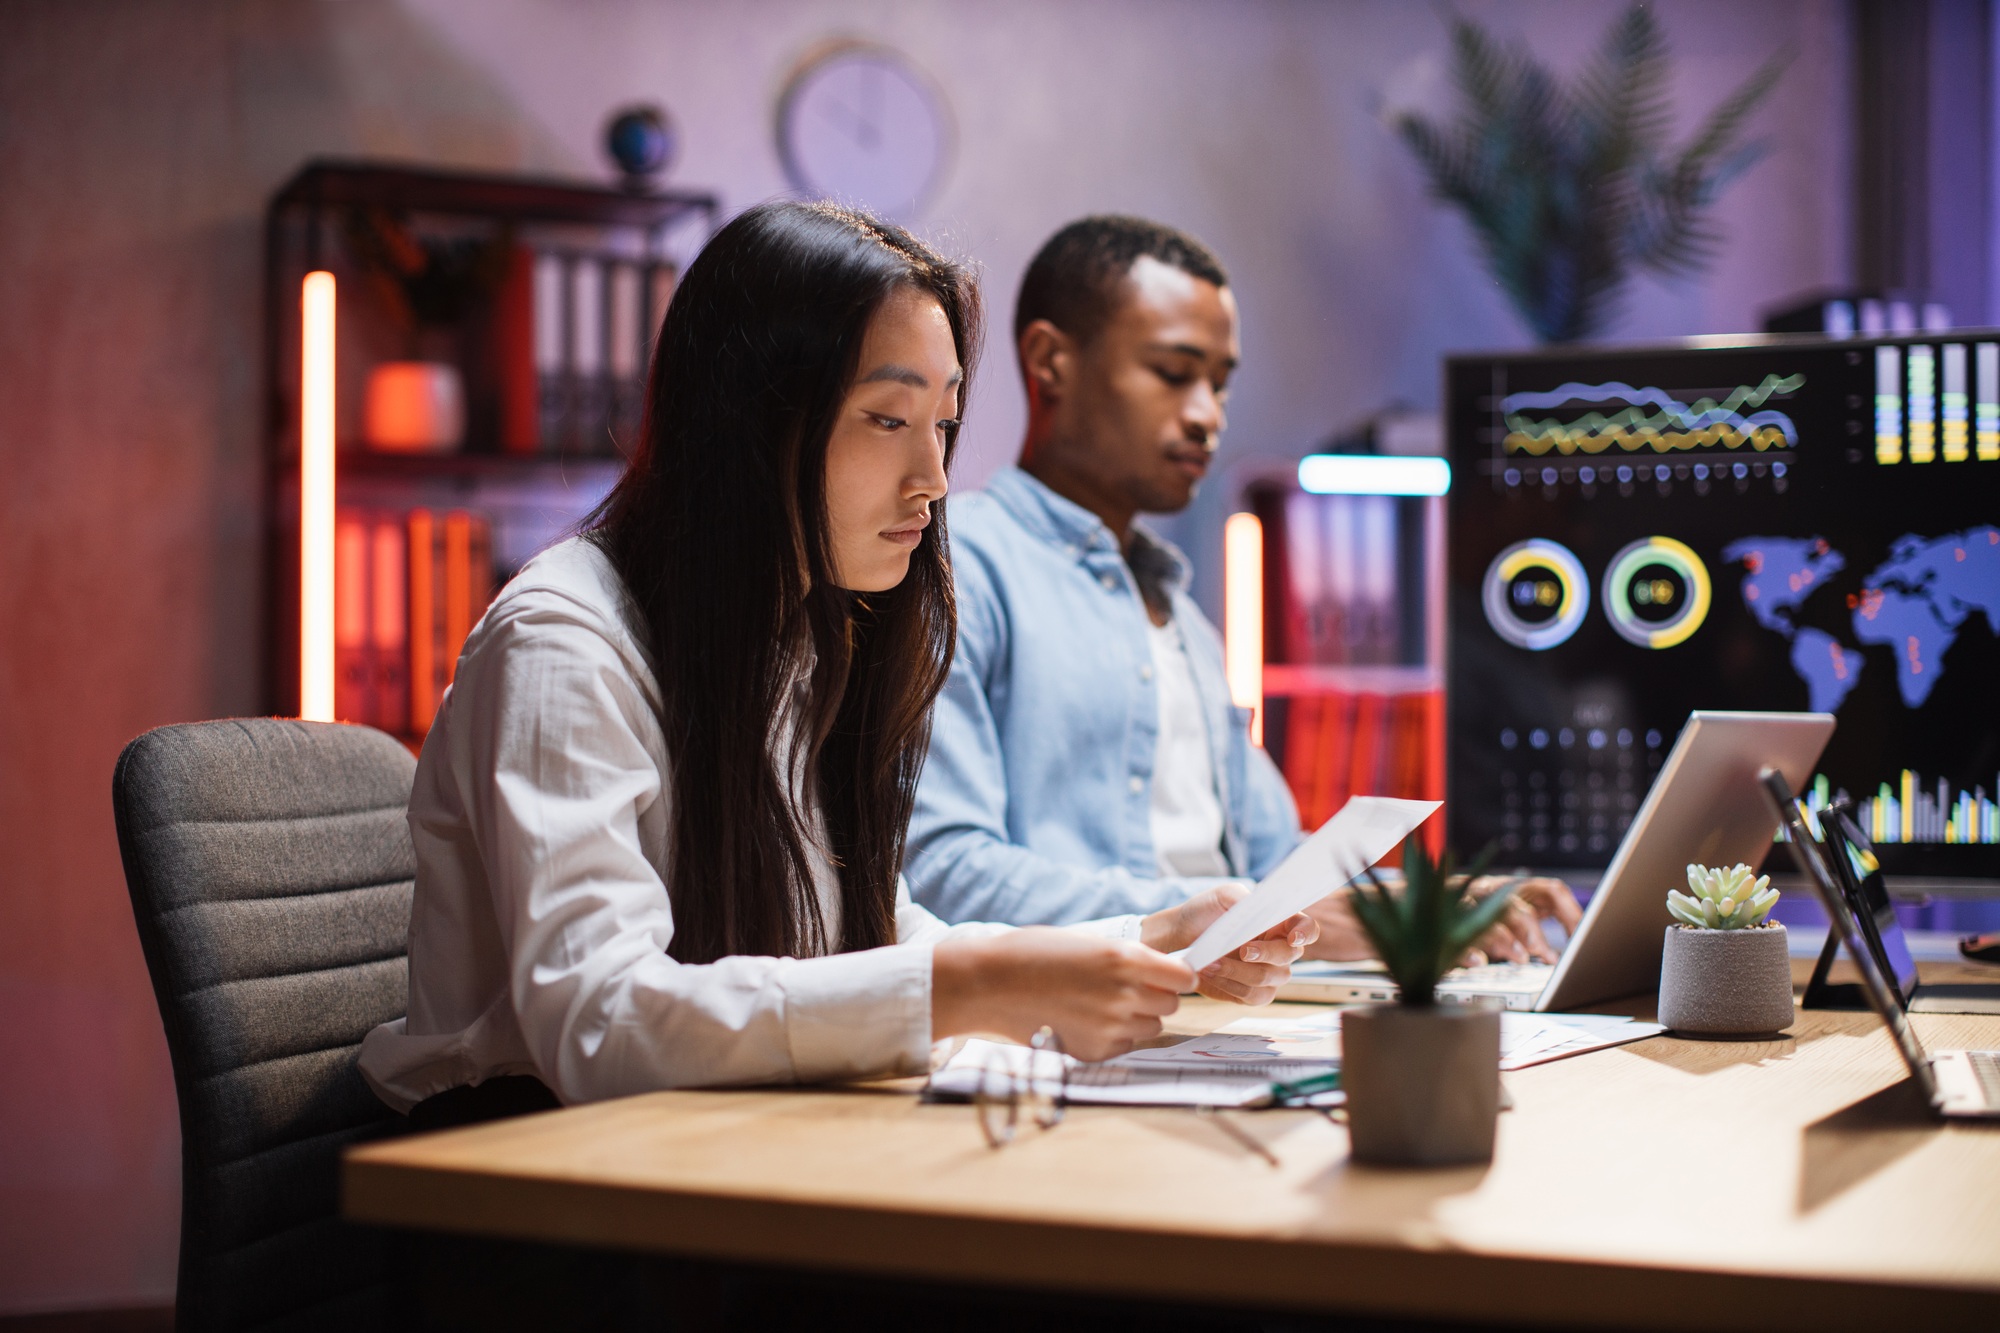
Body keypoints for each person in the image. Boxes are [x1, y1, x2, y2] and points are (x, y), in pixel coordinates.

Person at [357, 202, 1314, 1122]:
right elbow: (602, 1025)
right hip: (514, 1193)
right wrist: (966, 987)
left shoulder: (794, 637)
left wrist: (1145, 941)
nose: (935, 480)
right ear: (748, 421)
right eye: (889, 421)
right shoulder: (565, 645)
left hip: (701, 1155)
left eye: (943, 426)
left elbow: (870, 932)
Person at [905, 215, 1579, 962]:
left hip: (1223, 1011)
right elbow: (941, 875)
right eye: (1173, 372)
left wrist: (1424, 906)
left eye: (1220, 384)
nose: (1207, 415)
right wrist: (1222, 915)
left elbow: (1277, 868)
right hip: (1085, 1028)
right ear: (1050, 360)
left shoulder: (1184, 621)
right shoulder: (960, 566)